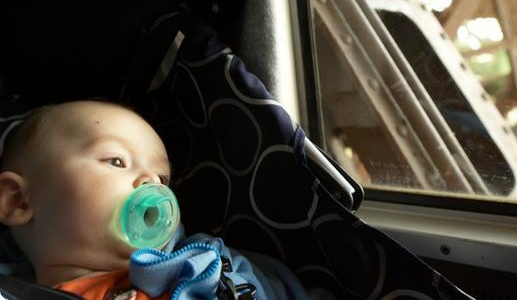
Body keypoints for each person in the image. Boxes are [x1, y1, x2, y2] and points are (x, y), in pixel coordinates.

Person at [0, 100, 310, 300]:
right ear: (18, 202)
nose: (151, 182)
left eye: (162, 179)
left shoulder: (199, 264)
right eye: (117, 161)